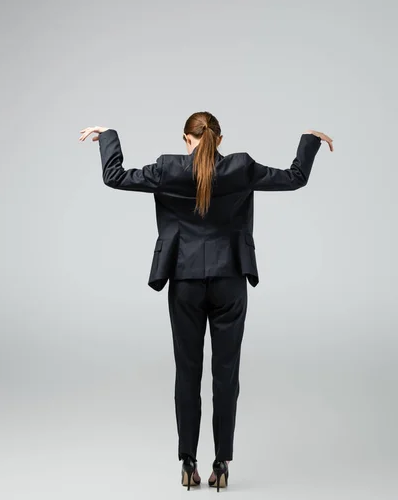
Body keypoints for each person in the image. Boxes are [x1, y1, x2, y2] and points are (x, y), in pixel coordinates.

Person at [79, 112, 333, 491]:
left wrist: (108, 135)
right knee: (226, 375)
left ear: (187, 138)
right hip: (230, 280)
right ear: (220, 138)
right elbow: (295, 177)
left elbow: (115, 176)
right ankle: (221, 464)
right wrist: (309, 138)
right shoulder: (241, 168)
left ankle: (187, 461)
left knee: (187, 372)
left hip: (184, 282)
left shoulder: (168, 170)